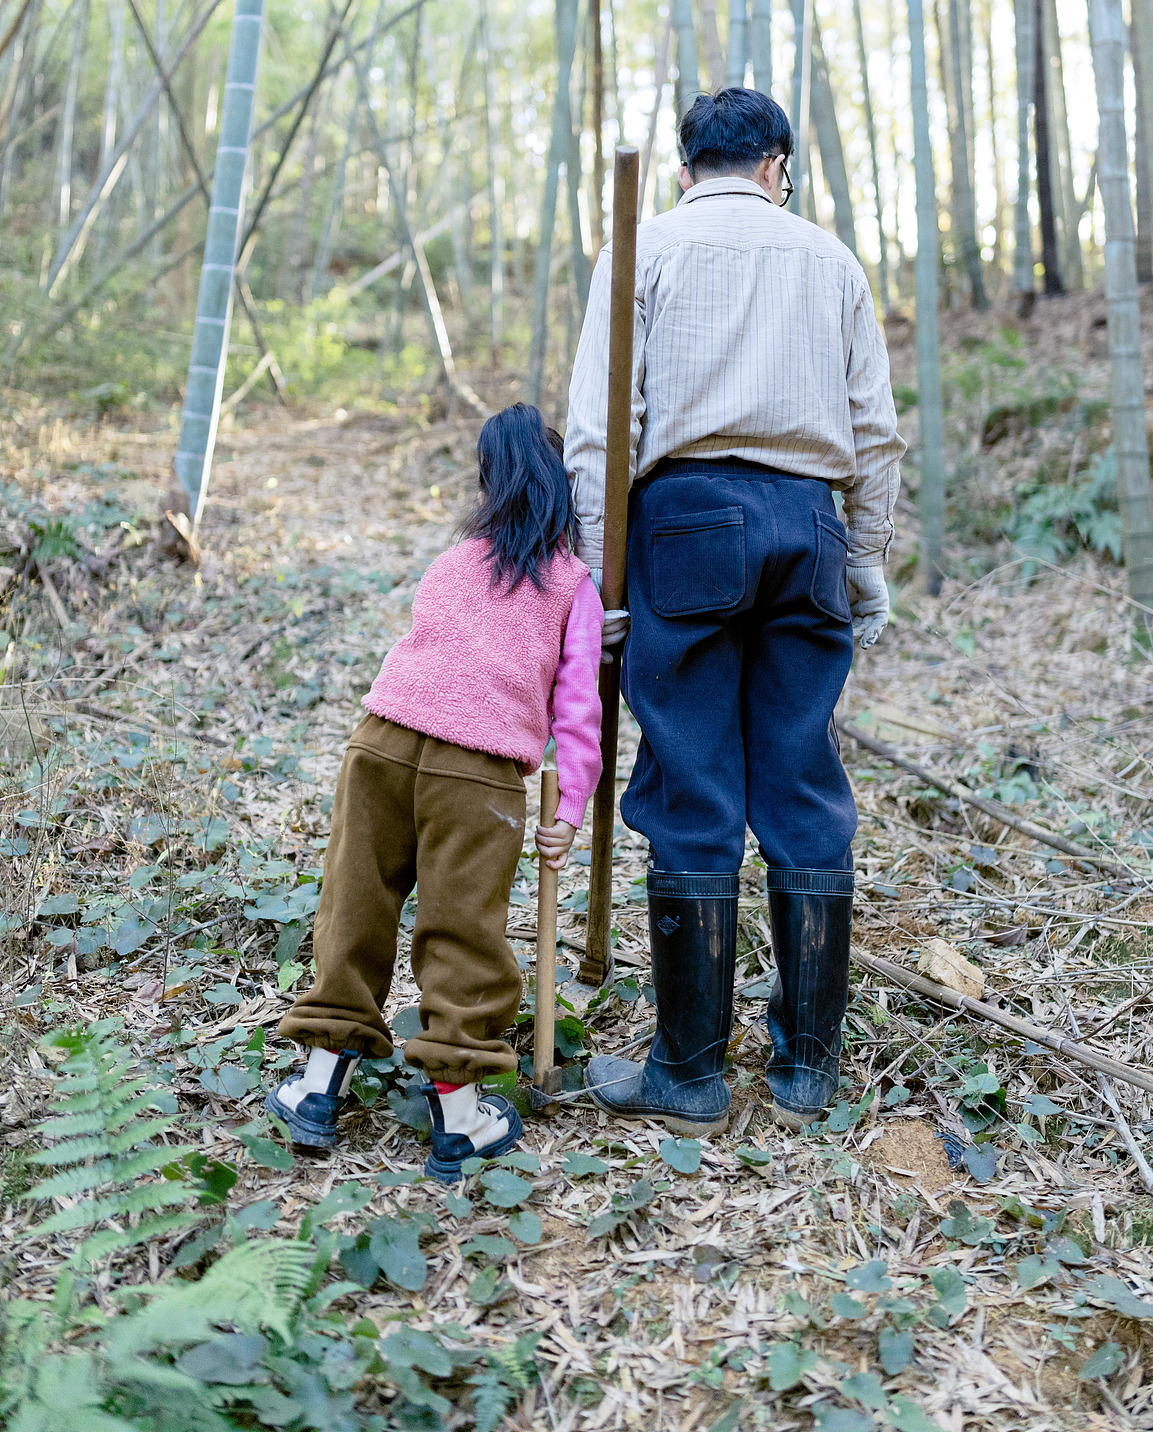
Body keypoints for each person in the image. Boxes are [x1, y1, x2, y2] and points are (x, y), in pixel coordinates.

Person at [564, 88, 904, 1136]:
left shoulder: (644, 250)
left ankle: (692, 1073)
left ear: (685, 167)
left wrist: (597, 585)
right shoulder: (830, 260)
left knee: (690, 781)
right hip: (807, 522)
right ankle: (805, 1070)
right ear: (776, 165)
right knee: (801, 775)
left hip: (686, 527)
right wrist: (863, 562)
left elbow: (596, 436)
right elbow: (873, 435)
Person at [268, 404, 603, 1179]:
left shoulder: (453, 562)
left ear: (487, 485)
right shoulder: (572, 585)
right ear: (564, 489)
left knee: (356, 901)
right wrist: (568, 809)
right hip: (477, 771)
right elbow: (578, 709)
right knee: (462, 929)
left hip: (380, 741)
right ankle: (459, 1122)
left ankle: (319, 1087)